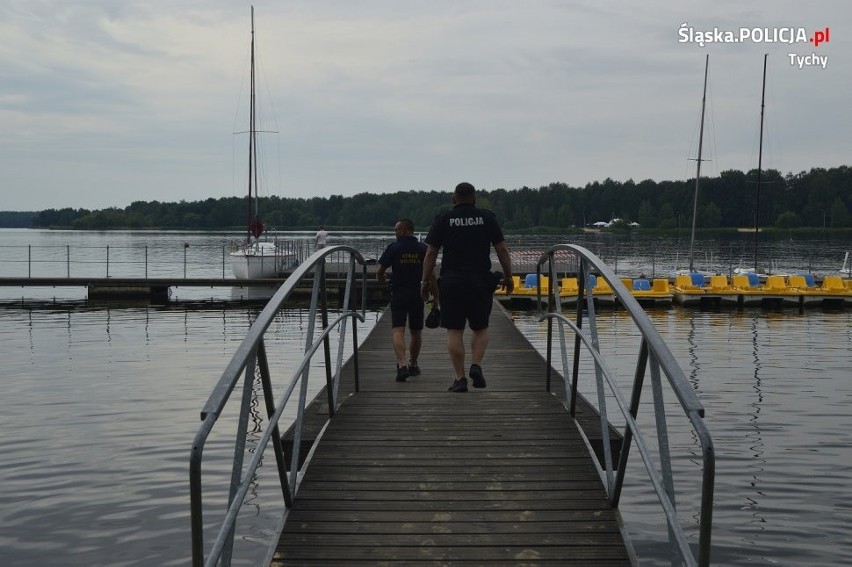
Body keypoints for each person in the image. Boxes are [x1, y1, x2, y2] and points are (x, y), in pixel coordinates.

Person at [420, 182, 514, 393]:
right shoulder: (487, 218)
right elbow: (502, 250)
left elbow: (430, 254)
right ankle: (476, 365)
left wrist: (425, 282)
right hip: (480, 281)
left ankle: (460, 378)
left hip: (452, 282)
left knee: (454, 330)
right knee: (480, 327)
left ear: (454, 199)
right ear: (475, 198)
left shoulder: (443, 219)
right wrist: (508, 276)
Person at [376, 219, 437, 382]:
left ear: (404, 230)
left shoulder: (393, 248)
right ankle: (413, 364)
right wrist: (436, 299)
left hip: (398, 293)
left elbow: (380, 270)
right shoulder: (423, 248)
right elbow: (432, 275)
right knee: (416, 331)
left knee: (398, 330)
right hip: (418, 294)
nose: (395, 233)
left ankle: (401, 365)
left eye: (396, 230)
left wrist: (381, 278)